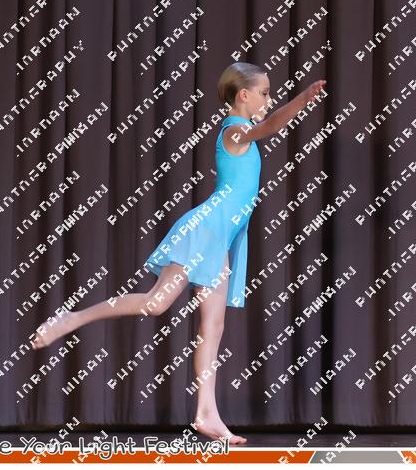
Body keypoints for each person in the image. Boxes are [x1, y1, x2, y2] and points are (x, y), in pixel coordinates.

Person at [29, 61, 326, 445]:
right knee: (156, 303)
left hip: (222, 236)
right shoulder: (234, 131)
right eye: (265, 93)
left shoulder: (243, 134)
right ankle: (72, 318)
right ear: (244, 95)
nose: (269, 99)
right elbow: (268, 127)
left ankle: (206, 412)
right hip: (204, 230)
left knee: (214, 325)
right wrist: (302, 100)